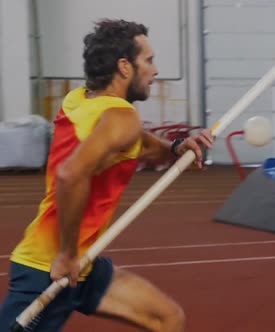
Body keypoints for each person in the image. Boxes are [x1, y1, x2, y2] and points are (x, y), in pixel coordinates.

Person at [0, 19, 212, 331]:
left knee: (167, 318)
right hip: (49, 268)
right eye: (149, 61)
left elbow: (137, 142)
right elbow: (71, 175)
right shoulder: (121, 118)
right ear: (125, 66)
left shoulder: (81, 100)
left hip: (84, 266)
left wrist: (176, 146)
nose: (154, 71)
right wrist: (67, 254)